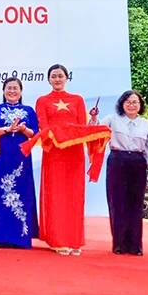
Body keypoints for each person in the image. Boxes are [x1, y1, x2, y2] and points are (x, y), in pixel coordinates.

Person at [89, 90, 148, 256]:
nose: (131, 105)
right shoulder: (112, 120)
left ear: (140, 105)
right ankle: (119, 243)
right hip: (117, 161)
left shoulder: (146, 124)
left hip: (138, 162)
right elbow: (95, 129)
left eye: (135, 102)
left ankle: (135, 246)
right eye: (128, 102)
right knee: (117, 202)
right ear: (122, 104)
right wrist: (93, 117)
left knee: (136, 204)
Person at [34, 64, 89, 256]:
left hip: (74, 153)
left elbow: (82, 126)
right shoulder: (42, 100)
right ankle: (57, 239)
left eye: (60, 76)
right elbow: (43, 127)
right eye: (54, 76)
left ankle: (74, 240)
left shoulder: (78, 100)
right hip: (54, 152)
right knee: (56, 194)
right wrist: (58, 139)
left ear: (67, 78)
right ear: (48, 79)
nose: (57, 79)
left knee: (74, 195)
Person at [0, 77, 40, 249]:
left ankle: (21, 237)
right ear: (3, 91)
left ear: (21, 91)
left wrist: (24, 129)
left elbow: (35, 134)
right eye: (9, 88)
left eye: (16, 88)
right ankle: (0, 236)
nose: (12, 91)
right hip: (1, 156)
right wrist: (7, 129)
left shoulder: (29, 111)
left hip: (21, 157)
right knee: (0, 193)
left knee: (21, 193)